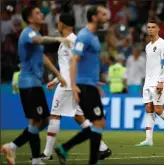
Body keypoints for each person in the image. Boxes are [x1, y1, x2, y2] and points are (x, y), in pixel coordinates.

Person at [1, 6, 68, 165]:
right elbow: (39, 40)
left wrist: (58, 75)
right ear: (30, 19)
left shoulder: (35, 35)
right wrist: (58, 39)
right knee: (37, 121)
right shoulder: (28, 33)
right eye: (37, 13)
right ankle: (35, 159)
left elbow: (42, 57)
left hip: (35, 84)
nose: (41, 14)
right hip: (29, 83)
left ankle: (13, 146)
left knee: (43, 121)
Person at [40, 13, 111, 161]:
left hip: (68, 85)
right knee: (79, 117)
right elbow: (68, 65)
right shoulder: (68, 40)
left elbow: (79, 61)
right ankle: (103, 148)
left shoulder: (72, 41)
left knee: (55, 115)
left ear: (63, 24)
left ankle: (47, 153)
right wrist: (55, 80)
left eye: (58, 23)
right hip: (71, 83)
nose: (57, 25)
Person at [135, 19, 164, 147]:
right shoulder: (148, 46)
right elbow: (150, 66)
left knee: (158, 109)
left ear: (158, 29)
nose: (150, 29)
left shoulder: (163, 44)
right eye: (148, 27)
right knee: (148, 108)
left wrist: (161, 81)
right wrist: (145, 84)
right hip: (148, 82)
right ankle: (149, 139)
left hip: (159, 82)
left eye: (153, 27)